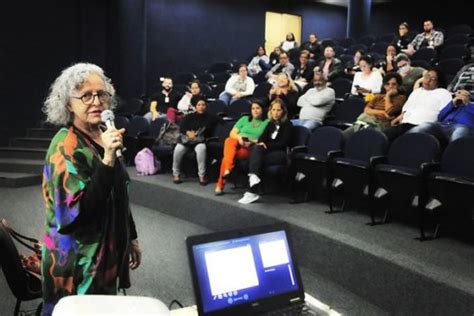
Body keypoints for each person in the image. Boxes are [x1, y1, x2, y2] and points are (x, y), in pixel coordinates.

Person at [40, 63, 142, 315]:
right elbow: (74, 215)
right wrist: (107, 161)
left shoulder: (104, 135)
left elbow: (118, 191)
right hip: (76, 264)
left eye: (102, 94)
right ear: (68, 104)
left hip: (105, 255)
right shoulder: (65, 146)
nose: (96, 101)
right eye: (86, 95)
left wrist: (131, 236)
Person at [238, 99, 293, 204]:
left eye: (278, 110)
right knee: (257, 149)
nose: (276, 113)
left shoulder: (288, 125)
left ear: (283, 112)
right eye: (273, 110)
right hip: (267, 152)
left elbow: (283, 143)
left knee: (255, 157)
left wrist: (266, 145)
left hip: (280, 154)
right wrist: (262, 143)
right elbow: (261, 139)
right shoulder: (270, 124)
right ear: (270, 111)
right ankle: (252, 187)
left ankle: (252, 185)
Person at [215, 100, 269, 195]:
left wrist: (252, 141)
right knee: (229, 140)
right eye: (253, 108)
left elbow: (264, 139)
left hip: (250, 148)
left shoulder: (267, 122)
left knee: (225, 158)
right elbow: (232, 133)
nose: (255, 110)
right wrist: (239, 138)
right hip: (237, 144)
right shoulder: (244, 119)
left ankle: (222, 181)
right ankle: (228, 169)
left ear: (263, 110)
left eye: (258, 108)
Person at [384, 67, 452, 141]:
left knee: (405, 138)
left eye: (433, 79)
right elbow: (407, 107)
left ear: (438, 83)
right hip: (406, 124)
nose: (428, 80)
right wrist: (400, 116)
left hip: (425, 126)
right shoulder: (417, 91)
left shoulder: (443, 93)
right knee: (382, 136)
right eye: (427, 76)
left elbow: (446, 114)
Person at [343, 73, 407, 139]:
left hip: (380, 125)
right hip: (364, 121)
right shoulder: (378, 96)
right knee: (341, 137)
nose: (390, 86)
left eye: (394, 84)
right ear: (384, 86)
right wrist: (382, 112)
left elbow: (389, 111)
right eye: (387, 84)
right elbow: (366, 110)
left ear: (398, 86)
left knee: (360, 138)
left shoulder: (401, 98)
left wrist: (388, 96)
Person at [172, 98, 219, 185]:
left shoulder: (210, 117)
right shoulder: (190, 116)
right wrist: (188, 132)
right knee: (178, 149)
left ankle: (202, 176)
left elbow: (219, 120)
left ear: (206, 106)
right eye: (199, 105)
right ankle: (176, 174)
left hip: (199, 141)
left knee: (202, 149)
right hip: (187, 140)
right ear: (195, 107)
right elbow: (182, 127)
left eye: (203, 105)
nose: (201, 107)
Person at [408, 89, 474, 144]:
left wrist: (467, 104)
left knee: (460, 131)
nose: (461, 96)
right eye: (459, 94)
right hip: (443, 125)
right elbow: (440, 117)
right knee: (425, 125)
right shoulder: (453, 104)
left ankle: (455, 156)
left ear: (469, 96)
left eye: (464, 95)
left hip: (462, 126)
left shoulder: (472, 105)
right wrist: (452, 104)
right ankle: (405, 143)